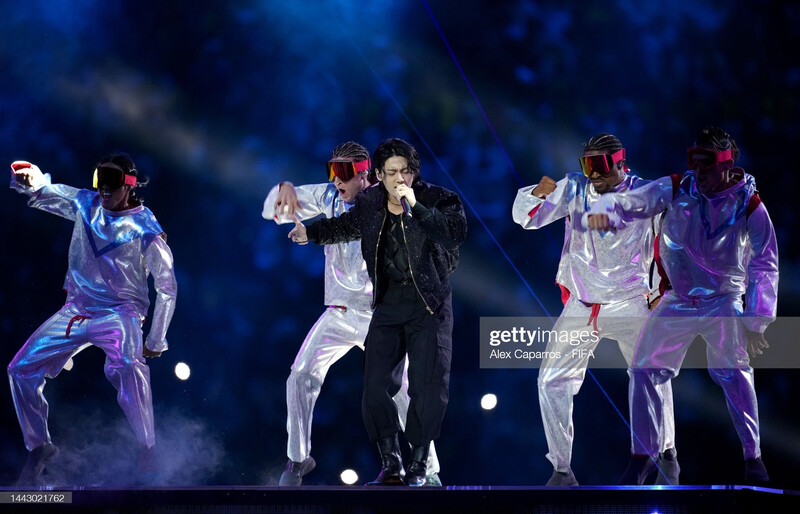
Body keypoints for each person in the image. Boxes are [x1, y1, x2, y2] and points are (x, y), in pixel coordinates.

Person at [586, 127, 778, 485]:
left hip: (722, 300)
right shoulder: (678, 187)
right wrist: (608, 209)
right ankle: (643, 455)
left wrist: (757, 320)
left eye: (707, 164)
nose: (700, 172)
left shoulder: (749, 204)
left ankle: (754, 457)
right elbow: (638, 200)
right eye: (696, 162)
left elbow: (765, 263)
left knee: (735, 372)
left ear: (725, 164)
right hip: (677, 300)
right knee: (643, 368)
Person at [288, 138, 466, 486]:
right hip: (384, 304)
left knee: (424, 390)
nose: (397, 179)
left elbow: (455, 233)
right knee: (373, 390)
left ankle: (423, 468)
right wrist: (309, 231)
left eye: (403, 172)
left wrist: (416, 206)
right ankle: (391, 464)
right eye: (390, 172)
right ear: (379, 175)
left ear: (413, 173)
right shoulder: (369, 204)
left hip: (426, 303)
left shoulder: (437, 198)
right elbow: (343, 227)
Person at [512, 133, 678, 486]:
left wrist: (669, 294)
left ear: (620, 162)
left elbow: (677, 235)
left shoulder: (644, 194)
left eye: (600, 165)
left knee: (650, 375)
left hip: (631, 302)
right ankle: (561, 469)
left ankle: (666, 452)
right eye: (586, 164)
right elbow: (526, 219)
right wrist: (537, 192)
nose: (593, 174)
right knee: (550, 380)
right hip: (583, 304)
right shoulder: (574, 189)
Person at [7, 154, 177, 486]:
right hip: (76, 311)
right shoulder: (87, 204)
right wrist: (32, 181)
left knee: (129, 364)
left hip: (120, 313)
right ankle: (39, 447)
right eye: (100, 181)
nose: (104, 190)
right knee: (20, 369)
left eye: (112, 183)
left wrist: (156, 338)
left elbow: (167, 285)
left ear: (128, 185)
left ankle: (147, 447)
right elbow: (50, 193)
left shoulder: (145, 228)